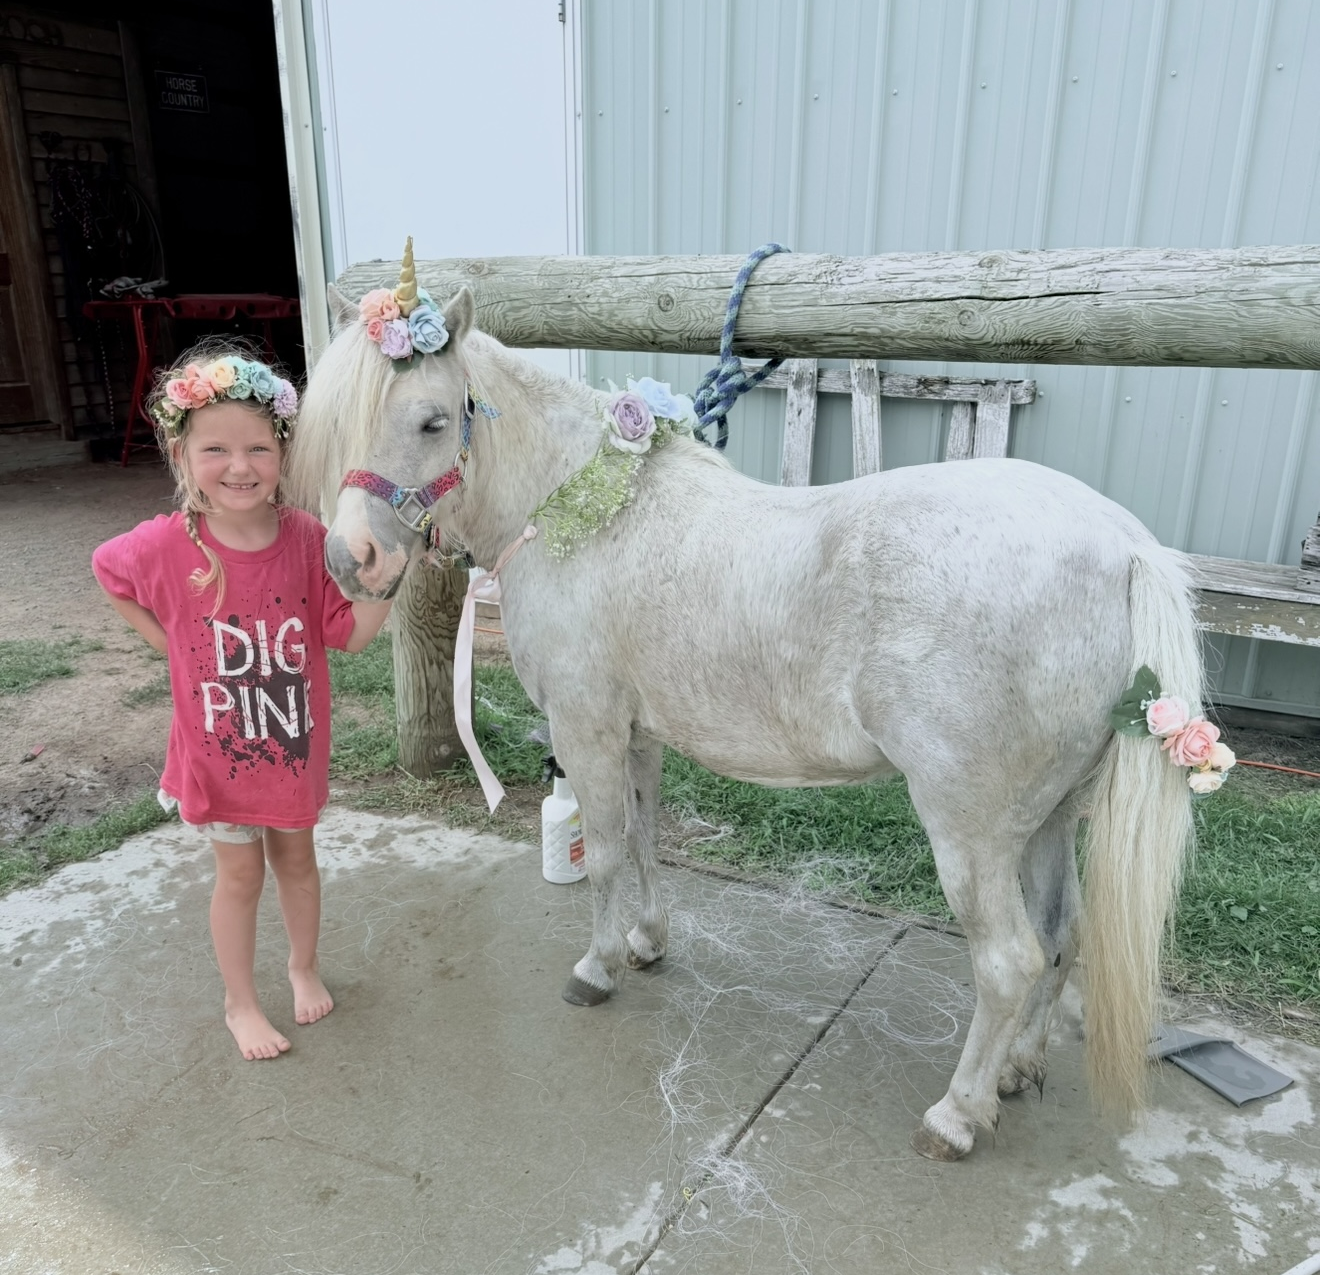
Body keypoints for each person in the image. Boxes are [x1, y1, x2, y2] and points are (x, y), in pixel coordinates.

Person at [92, 343, 392, 1060]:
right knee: (239, 874)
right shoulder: (167, 546)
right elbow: (108, 571)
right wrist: (167, 642)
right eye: (216, 448)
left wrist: (383, 586)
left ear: (284, 453)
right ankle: (240, 1002)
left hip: (290, 754)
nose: (239, 465)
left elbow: (346, 635)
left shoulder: (307, 539)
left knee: (296, 861)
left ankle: (302, 964)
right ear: (178, 452)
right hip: (216, 759)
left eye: (259, 446)